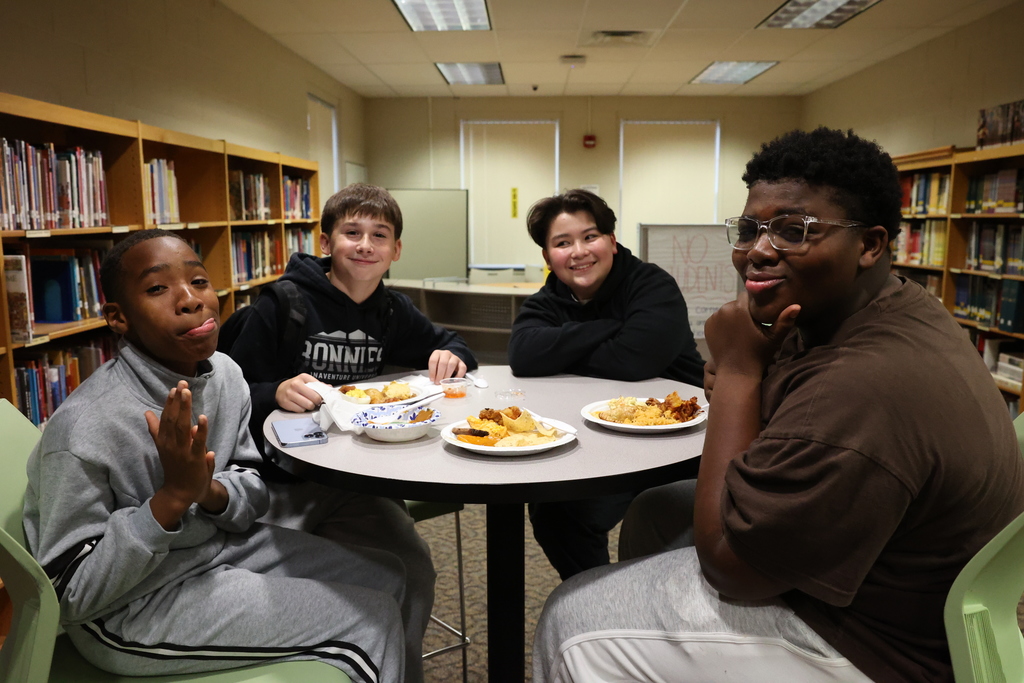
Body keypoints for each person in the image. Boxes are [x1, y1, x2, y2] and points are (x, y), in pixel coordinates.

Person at [532, 128, 1024, 683]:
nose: (759, 251)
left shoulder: (862, 385)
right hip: (891, 571)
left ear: (870, 245)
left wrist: (739, 374)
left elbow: (729, 567)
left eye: (795, 231)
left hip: (881, 645)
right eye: (749, 230)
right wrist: (748, 377)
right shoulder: (882, 307)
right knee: (658, 509)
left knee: (570, 617)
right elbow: (778, 411)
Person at [23, 229, 411, 681]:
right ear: (118, 317)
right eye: (157, 288)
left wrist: (208, 491)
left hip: (212, 551)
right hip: (131, 606)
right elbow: (70, 595)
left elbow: (250, 486)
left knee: (390, 573)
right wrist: (170, 500)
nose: (190, 300)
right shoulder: (84, 426)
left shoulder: (225, 374)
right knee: (372, 620)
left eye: (199, 281)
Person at [228, 183, 477, 682]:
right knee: (267, 586)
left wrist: (453, 355)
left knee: (413, 570)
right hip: (278, 481)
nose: (365, 245)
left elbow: (454, 345)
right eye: (352, 233)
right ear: (326, 242)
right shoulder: (282, 303)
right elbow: (226, 390)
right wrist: (273, 391)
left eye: (379, 235)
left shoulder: (392, 310)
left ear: (396, 250)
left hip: (353, 481)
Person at [507, 188, 705, 580]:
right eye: (563, 243)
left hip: (679, 444)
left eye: (590, 236)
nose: (579, 252)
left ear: (612, 241)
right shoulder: (550, 299)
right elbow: (523, 354)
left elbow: (633, 361)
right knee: (555, 510)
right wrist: (609, 327)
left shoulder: (651, 285)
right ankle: (602, 594)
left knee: (660, 526)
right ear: (548, 257)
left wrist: (562, 350)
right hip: (599, 442)